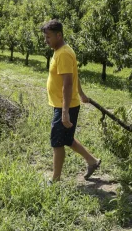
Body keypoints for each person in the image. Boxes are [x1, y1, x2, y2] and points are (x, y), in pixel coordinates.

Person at [42, 19, 101, 183]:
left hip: (64, 105)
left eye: (48, 37)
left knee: (57, 141)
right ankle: (92, 161)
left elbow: (68, 83)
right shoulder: (60, 50)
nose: (45, 41)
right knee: (67, 139)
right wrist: (81, 93)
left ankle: (55, 180)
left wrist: (65, 112)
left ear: (59, 35)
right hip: (63, 104)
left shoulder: (64, 54)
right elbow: (74, 75)